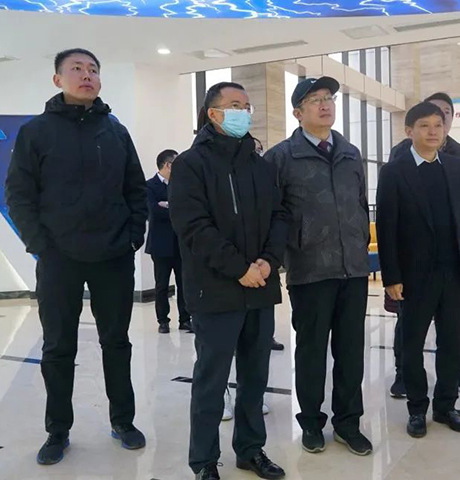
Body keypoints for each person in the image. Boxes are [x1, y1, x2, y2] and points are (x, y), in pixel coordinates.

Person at [5, 48, 147, 466]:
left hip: (113, 256)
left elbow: (135, 189)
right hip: (58, 258)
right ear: (58, 80)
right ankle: (57, 430)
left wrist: (132, 237)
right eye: (77, 69)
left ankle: (123, 421)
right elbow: (19, 194)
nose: (87, 75)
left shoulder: (115, 131)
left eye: (93, 70)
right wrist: (41, 245)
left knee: (116, 342)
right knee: (58, 347)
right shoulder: (36, 132)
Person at [169, 82, 287, 480]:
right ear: (213, 113)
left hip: (260, 288)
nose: (243, 112)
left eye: (247, 106)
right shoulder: (191, 165)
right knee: (211, 379)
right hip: (215, 289)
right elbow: (193, 227)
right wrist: (239, 268)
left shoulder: (261, 165)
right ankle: (204, 461)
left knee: (255, 378)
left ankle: (251, 450)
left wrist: (269, 261)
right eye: (234, 105)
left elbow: (279, 217)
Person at [265, 77, 372, 456]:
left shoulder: (350, 153)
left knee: (351, 352)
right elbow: (271, 215)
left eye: (329, 98)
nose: (325, 104)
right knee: (311, 353)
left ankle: (348, 423)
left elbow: (360, 204)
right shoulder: (281, 157)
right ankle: (311, 422)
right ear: (298, 112)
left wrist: (361, 244)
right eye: (315, 100)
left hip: (353, 270)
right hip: (309, 270)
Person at [376, 102, 460, 439]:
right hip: (413, 276)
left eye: (438, 125)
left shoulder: (455, 167)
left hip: (453, 272)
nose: (433, 131)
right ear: (409, 131)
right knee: (412, 345)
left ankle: (446, 406)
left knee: (452, 342)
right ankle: (416, 409)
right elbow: (387, 227)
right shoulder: (394, 171)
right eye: (424, 125)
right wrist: (391, 276)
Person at [146, 149, 193, 334]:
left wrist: (166, 205)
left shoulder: (180, 184)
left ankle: (185, 319)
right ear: (167, 165)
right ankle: (163, 320)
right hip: (160, 245)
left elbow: (186, 209)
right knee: (162, 285)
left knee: (183, 283)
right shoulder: (150, 186)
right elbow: (153, 211)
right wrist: (171, 208)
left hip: (180, 243)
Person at [254, 139, 285, 355]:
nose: (257, 152)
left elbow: (279, 215)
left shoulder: (265, 173)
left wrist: (270, 258)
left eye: (259, 149)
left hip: (264, 259)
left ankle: (268, 336)